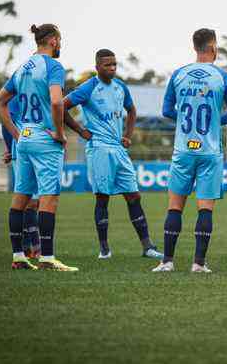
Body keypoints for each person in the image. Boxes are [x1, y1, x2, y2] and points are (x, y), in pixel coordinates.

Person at [153, 28, 227, 273]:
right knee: (205, 207)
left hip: (183, 150)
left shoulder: (179, 74)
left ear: (195, 47)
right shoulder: (223, 77)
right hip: (209, 151)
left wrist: (185, 119)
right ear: (214, 47)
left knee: (175, 206)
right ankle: (198, 264)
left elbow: (167, 110)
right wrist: (213, 121)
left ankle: (167, 262)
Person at [0, 23, 77, 271]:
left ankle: (18, 256)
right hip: (44, 139)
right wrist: (60, 133)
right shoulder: (53, 66)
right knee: (49, 200)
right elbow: (56, 102)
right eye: (59, 40)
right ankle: (47, 258)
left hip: (25, 139)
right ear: (52, 40)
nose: (60, 45)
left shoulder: (22, 68)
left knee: (20, 199)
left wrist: (17, 134)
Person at [64, 49, 163, 260]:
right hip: (99, 148)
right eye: (107, 65)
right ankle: (104, 250)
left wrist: (128, 135)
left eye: (114, 65)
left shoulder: (120, 87)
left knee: (134, 195)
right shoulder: (89, 87)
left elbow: (132, 110)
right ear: (97, 67)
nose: (112, 68)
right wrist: (81, 131)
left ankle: (148, 247)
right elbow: (62, 106)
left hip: (118, 149)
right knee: (103, 198)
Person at [1, 95, 41, 259]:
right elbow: (6, 121)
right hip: (23, 150)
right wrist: (10, 147)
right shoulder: (18, 94)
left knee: (34, 202)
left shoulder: (40, 90)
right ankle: (34, 247)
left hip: (41, 149)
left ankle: (27, 248)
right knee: (28, 202)